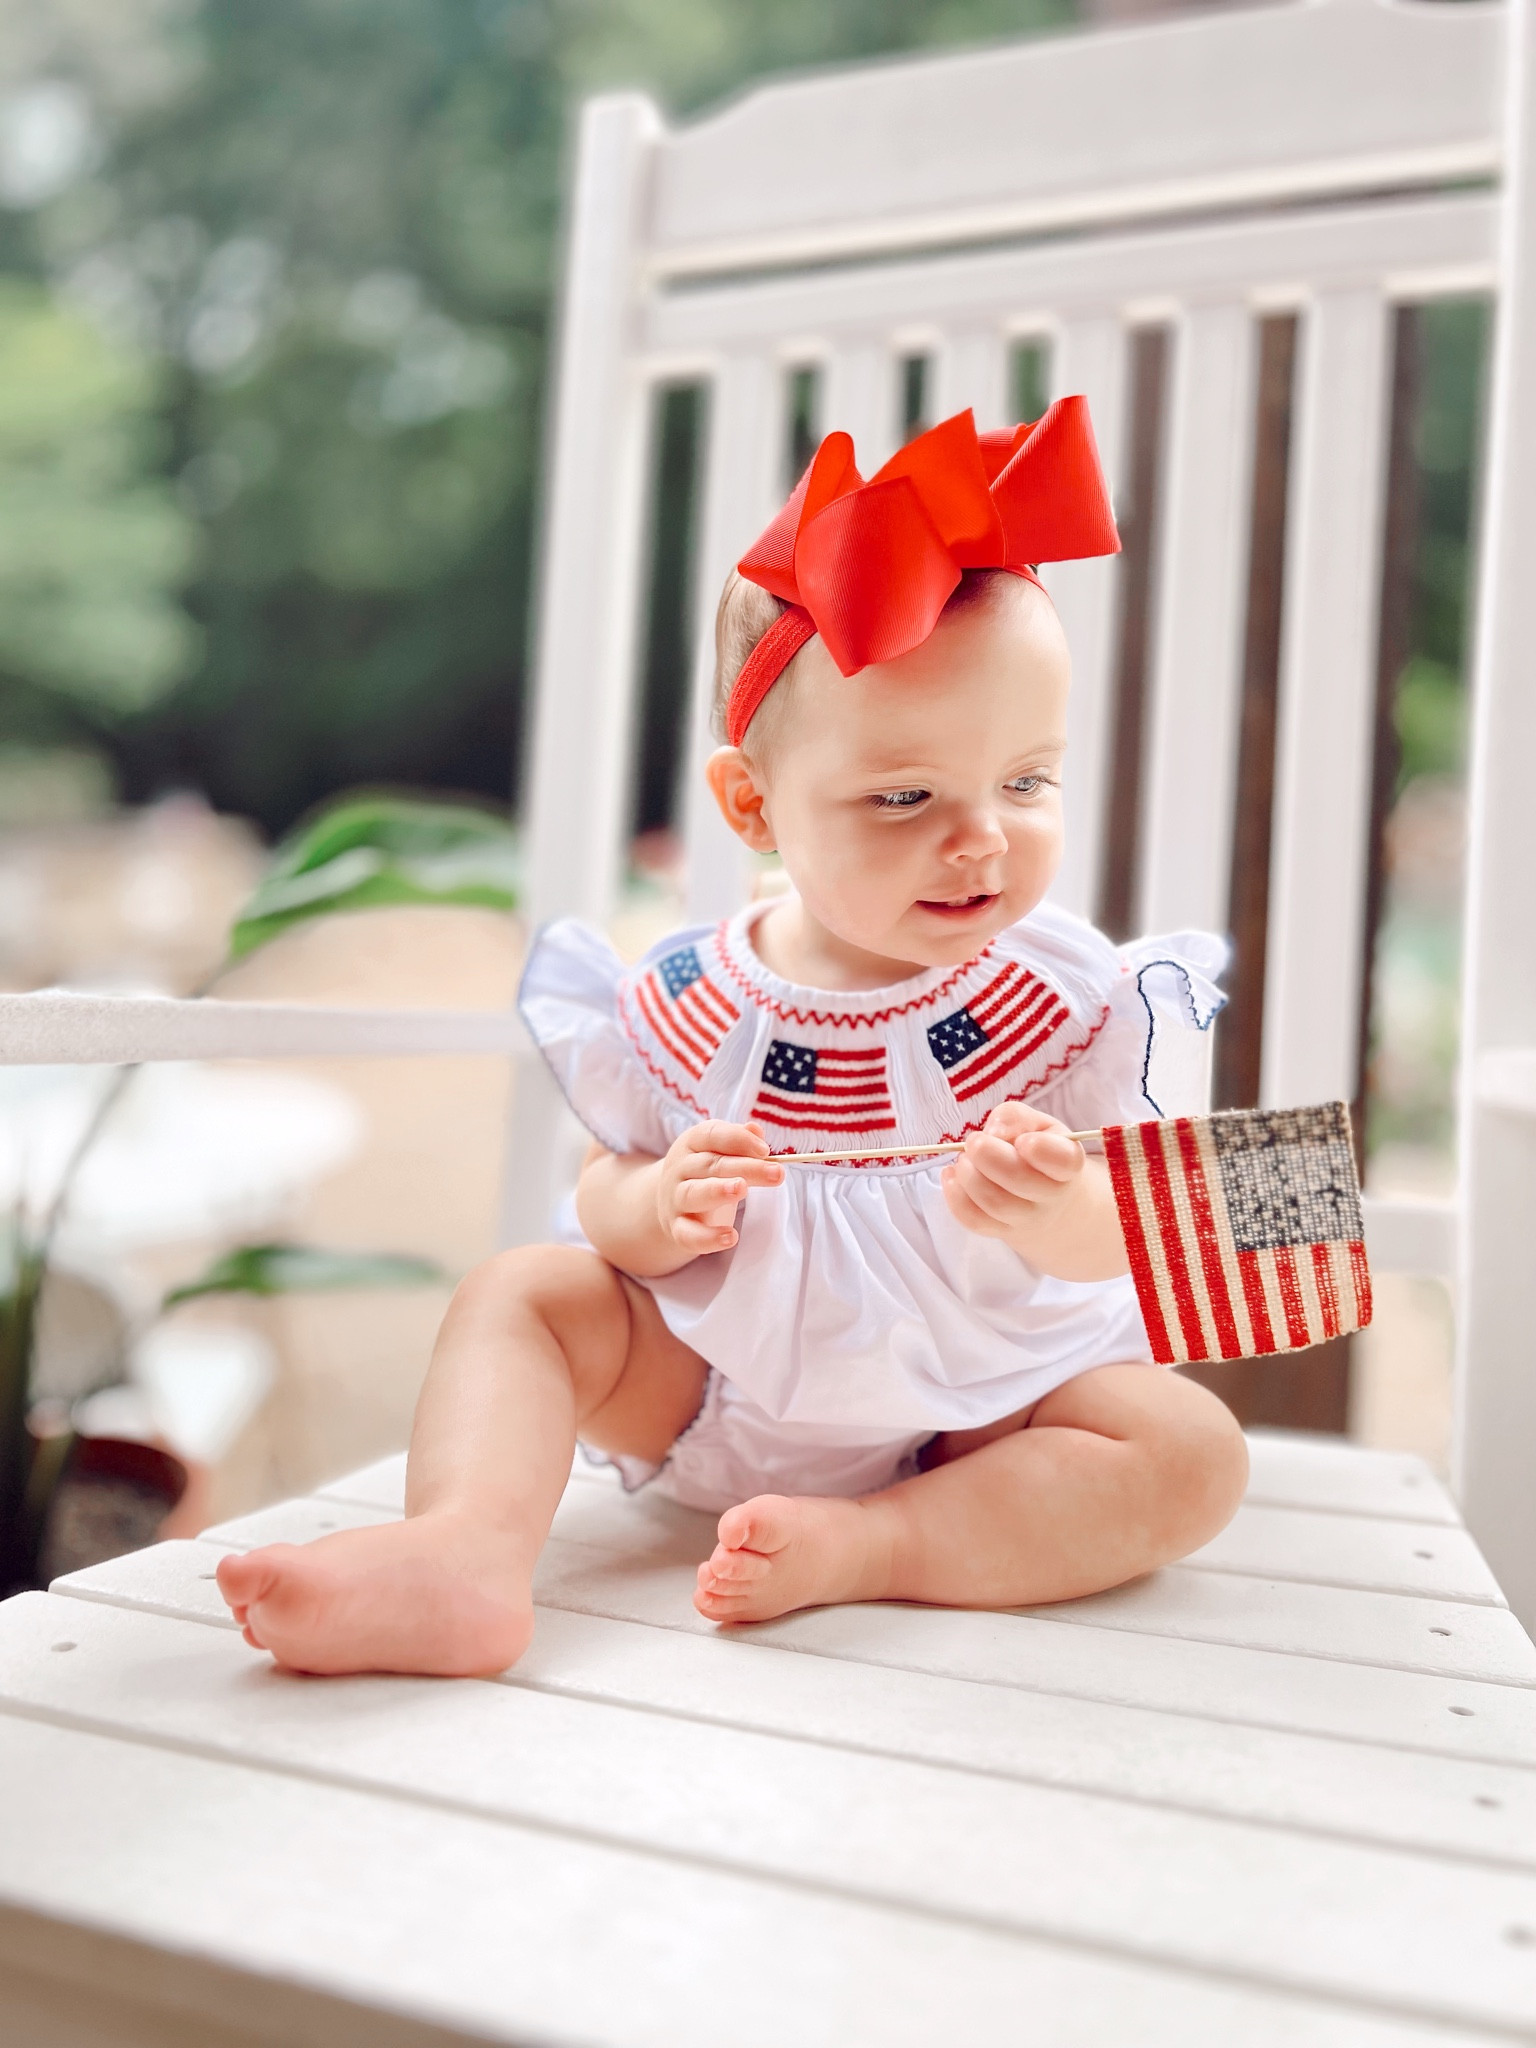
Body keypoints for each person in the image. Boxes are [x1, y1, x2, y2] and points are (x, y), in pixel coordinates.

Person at [217, 400, 1248, 1676]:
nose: (980, 835)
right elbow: (603, 1191)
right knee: (523, 1294)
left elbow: (1148, 1222)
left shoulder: (1066, 992)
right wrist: (658, 1205)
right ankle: (465, 1551)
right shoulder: (690, 996)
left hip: (981, 1405)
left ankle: (875, 1543)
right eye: (906, 795)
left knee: (1188, 1451)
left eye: (1026, 781)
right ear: (752, 804)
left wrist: (1052, 1202)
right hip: (715, 1379)